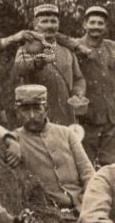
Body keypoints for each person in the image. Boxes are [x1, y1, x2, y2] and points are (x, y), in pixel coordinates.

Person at [8, 83, 94, 212]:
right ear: (17, 112)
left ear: (46, 109)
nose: (31, 115)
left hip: (82, 208)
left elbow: (88, 173)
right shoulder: (14, 140)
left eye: (37, 109)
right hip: (47, 215)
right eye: (25, 109)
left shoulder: (67, 134)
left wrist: (85, 204)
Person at [75, 5, 115, 167]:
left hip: (113, 118)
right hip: (86, 118)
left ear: (106, 27)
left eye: (100, 23)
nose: (96, 27)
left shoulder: (113, 47)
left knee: (113, 166)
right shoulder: (74, 46)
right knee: (84, 165)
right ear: (85, 25)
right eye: (92, 22)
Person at [11, 4, 88, 126]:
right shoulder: (26, 48)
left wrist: (78, 92)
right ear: (35, 25)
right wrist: (39, 61)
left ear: (58, 24)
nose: (50, 26)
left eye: (53, 21)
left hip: (65, 115)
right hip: (37, 116)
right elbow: (19, 68)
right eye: (44, 22)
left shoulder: (67, 51)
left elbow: (79, 78)